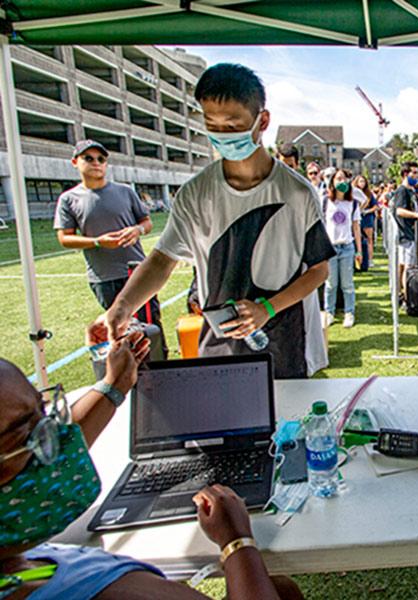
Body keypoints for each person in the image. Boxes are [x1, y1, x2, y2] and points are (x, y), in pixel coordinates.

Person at [0, 334, 302, 599]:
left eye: (45, 413)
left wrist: (114, 385)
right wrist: (237, 541)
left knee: (283, 591)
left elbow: (59, 445)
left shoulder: (18, 561)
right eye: (28, 434)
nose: (61, 442)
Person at [97, 63, 335, 379]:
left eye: (233, 125)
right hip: (221, 343)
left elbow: (319, 269)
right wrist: (122, 306)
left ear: (262, 121)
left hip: (286, 343)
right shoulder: (195, 193)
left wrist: (267, 308)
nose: (222, 135)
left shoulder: (297, 192)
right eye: (212, 124)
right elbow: (160, 261)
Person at [54, 141, 165, 344]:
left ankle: (160, 366)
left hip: (137, 272)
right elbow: (64, 238)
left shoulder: (125, 192)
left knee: (150, 329)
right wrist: (97, 242)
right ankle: (130, 371)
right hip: (103, 276)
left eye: (101, 159)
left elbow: (146, 222)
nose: (96, 163)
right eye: (88, 158)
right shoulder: (69, 199)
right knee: (119, 330)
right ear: (75, 162)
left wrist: (137, 230)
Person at [322, 169, 361, 328]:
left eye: (344, 178)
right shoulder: (325, 201)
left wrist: (359, 251)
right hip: (330, 247)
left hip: (347, 247)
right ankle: (329, 312)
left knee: (347, 284)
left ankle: (349, 312)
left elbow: (356, 227)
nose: (341, 181)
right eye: (338, 178)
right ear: (332, 182)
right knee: (330, 284)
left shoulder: (353, 203)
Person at [393, 161, 418, 306]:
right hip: (405, 234)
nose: (416, 176)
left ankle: (401, 295)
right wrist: (416, 215)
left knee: (403, 266)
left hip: (408, 233)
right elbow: (399, 211)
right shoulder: (402, 191)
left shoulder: (411, 191)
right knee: (408, 268)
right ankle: (408, 299)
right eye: (413, 173)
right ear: (405, 174)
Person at [354, 174, 378, 269]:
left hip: (367, 218)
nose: (362, 183)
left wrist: (367, 211)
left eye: (363, 181)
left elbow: (376, 206)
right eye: (360, 181)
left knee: (369, 239)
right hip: (356, 218)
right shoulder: (353, 193)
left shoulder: (369, 194)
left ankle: (370, 259)